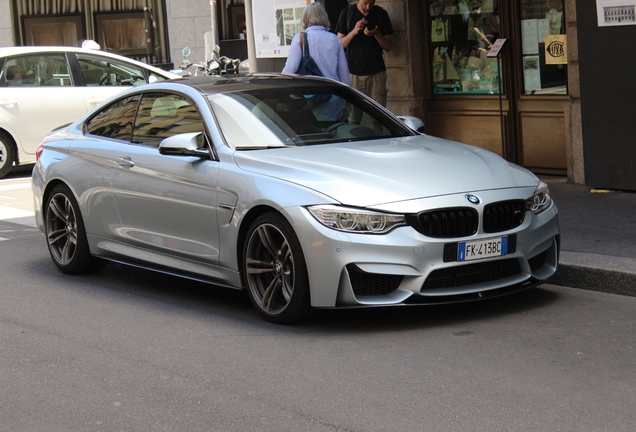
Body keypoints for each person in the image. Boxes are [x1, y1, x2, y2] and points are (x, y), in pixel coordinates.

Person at [336, 0, 393, 118]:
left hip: (377, 72)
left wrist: (377, 34)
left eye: (372, 3)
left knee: (379, 117)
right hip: (354, 73)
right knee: (353, 117)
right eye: (365, 3)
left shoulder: (381, 14)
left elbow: (388, 47)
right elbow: (339, 45)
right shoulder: (347, 14)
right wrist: (354, 32)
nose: (368, 7)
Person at [282, 2, 350, 85]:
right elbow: (344, 74)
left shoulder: (300, 39)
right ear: (324, 17)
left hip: (309, 93)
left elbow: (290, 69)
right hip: (332, 93)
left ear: (305, 19)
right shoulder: (335, 39)